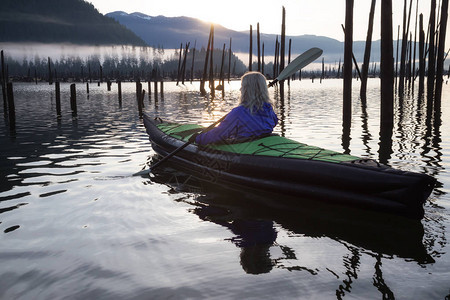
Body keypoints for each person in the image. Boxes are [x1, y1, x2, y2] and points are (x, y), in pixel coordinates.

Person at [192, 72, 278, 145]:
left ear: (247, 90)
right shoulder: (269, 110)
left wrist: (198, 138)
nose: (240, 89)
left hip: (246, 147)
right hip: (261, 145)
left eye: (242, 86)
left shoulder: (238, 113)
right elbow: (274, 121)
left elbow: (219, 134)